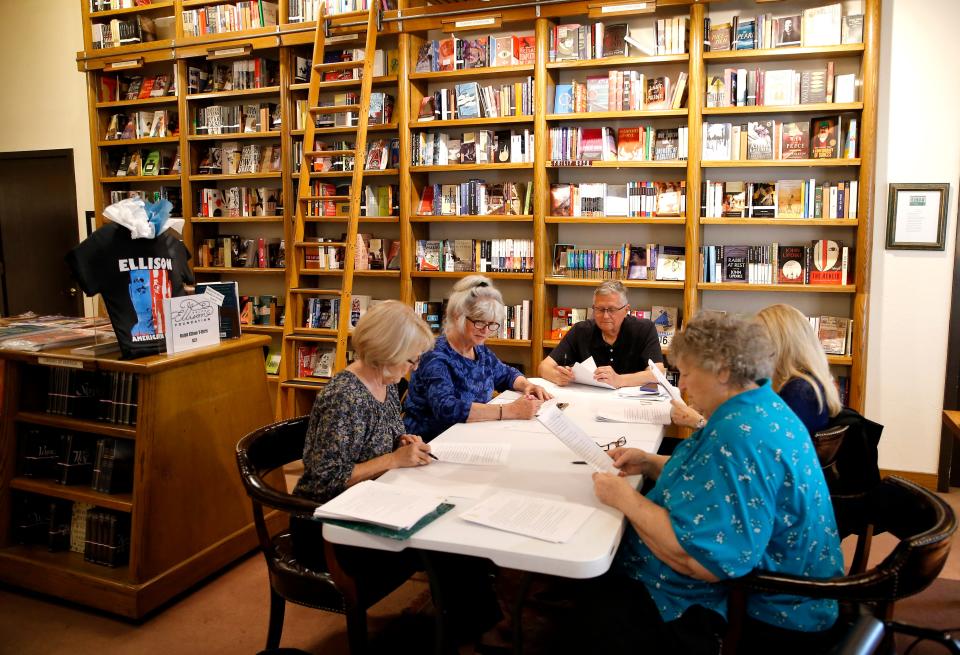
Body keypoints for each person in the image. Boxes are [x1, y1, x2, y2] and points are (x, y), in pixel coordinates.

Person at [587, 313, 843, 654]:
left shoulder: (737, 436)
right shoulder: (759, 405)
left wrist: (625, 499)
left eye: (689, 374)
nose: (684, 387)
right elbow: (713, 476)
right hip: (798, 591)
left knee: (587, 596)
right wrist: (650, 462)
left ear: (723, 370)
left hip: (766, 610)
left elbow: (701, 561)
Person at [291, 300, 501, 645]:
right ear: (385, 351)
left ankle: (472, 626)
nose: (414, 367)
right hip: (328, 528)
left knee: (456, 521)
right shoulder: (343, 396)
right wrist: (392, 460)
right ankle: (470, 631)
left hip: (370, 502)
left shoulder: (385, 384)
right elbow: (324, 479)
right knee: (448, 542)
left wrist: (401, 441)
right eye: (410, 359)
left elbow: (379, 440)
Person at [403, 275, 551, 441]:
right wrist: (510, 410)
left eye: (492, 324)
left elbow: (505, 374)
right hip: (431, 443)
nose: (486, 330)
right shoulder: (434, 356)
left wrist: (527, 385)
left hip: (470, 436)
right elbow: (446, 408)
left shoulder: (478, 350)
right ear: (457, 316)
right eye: (479, 322)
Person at [538, 280, 664, 388]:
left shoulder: (644, 329)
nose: (605, 316)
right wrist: (557, 376)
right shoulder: (580, 330)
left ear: (626, 310)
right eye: (599, 309)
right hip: (590, 401)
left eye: (612, 309)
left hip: (631, 404)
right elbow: (544, 367)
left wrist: (619, 380)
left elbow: (658, 372)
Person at [756, 303, 843, 434]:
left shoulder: (799, 392)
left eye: (759, 339)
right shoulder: (807, 382)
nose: (754, 347)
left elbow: (775, 439)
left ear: (781, 344)